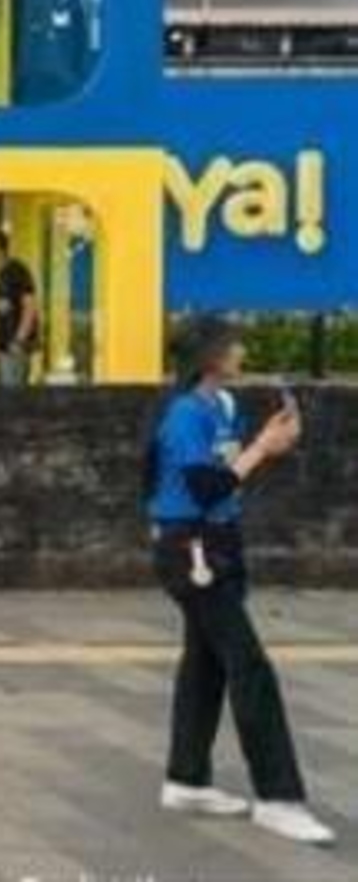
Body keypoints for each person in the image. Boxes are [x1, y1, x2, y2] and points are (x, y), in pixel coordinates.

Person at [146, 315, 334, 847]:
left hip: (220, 543)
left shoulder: (223, 406)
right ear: (208, 356)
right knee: (249, 666)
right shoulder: (185, 413)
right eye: (232, 344)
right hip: (191, 549)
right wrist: (263, 448)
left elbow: (229, 475)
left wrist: (272, 443)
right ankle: (278, 796)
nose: (241, 351)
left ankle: (186, 779)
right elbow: (205, 487)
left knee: (205, 662)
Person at [0, 228, 39, 384]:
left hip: (12, 350)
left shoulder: (18, 271)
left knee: (11, 392)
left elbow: (29, 308)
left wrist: (18, 341)